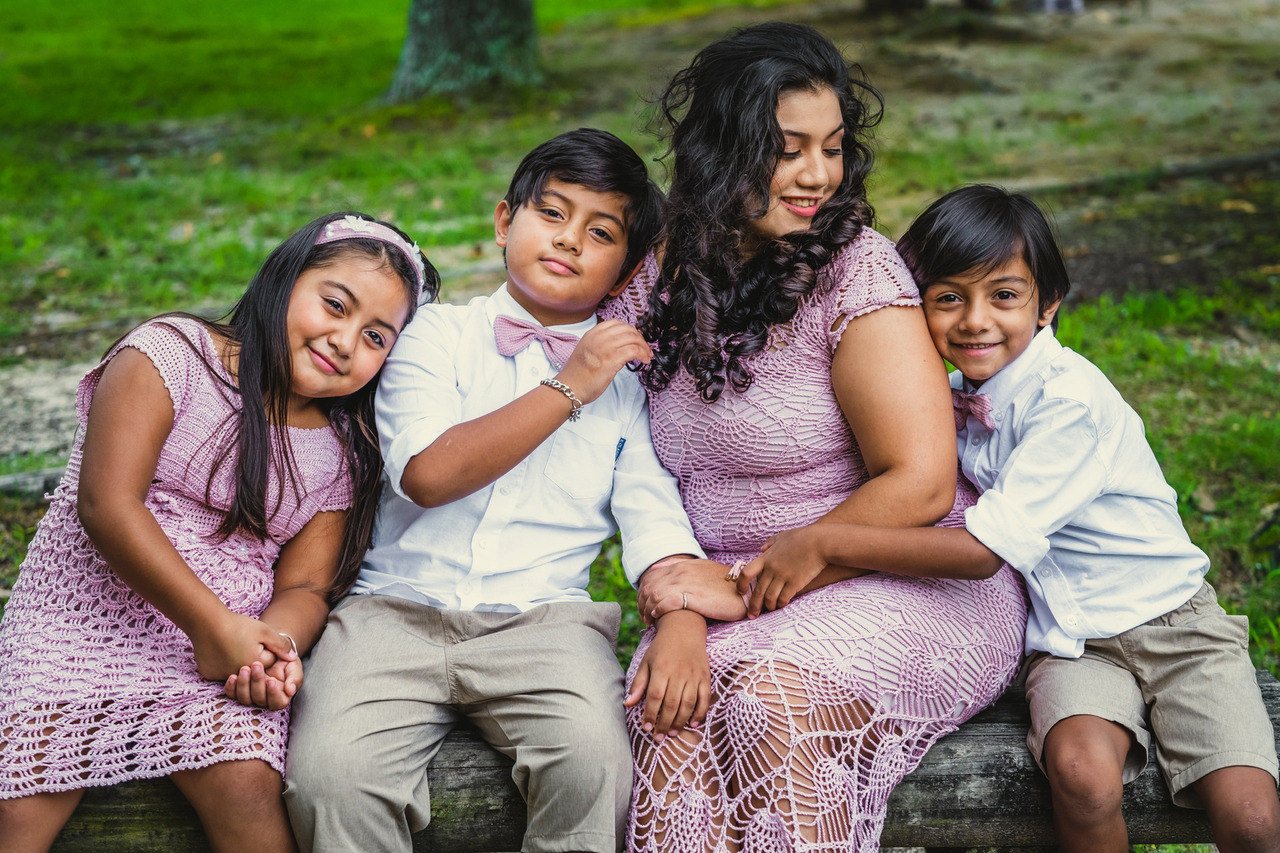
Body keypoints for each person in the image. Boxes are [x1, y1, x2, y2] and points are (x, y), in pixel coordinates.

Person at [741, 184, 1280, 852]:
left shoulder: (1067, 403)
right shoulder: (952, 398)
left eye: (1003, 295)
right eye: (947, 297)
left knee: (1253, 818)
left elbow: (980, 552)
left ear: (1048, 303)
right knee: (1083, 777)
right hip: (1066, 638)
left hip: (1174, 625)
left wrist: (824, 540)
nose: (974, 320)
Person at [597, 22, 1028, 853]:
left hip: (903, 572)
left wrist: (786, 562)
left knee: (768, 694)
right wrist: (681, 605)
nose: (819, 175)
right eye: (789, 148)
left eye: (832, 148)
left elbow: (922, 481)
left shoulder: (856, 270)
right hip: (727, 592)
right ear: (723, 148)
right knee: (668, 716)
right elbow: (632, 463)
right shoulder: (652, 280)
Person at [283, 128, 708, 853]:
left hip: (545, 624)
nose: (569, 239)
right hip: (393, 613)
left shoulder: (628, 381)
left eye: (599, 232)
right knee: (330, 776)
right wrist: (569, 385)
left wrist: (682, 616)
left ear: (626, 267)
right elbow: (427, 472)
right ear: (505, 221)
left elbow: (653, 512)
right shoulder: (431, 335)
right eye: (552, 213)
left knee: (593, 766)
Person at [0, 212, 437, 853]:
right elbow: (107, 504)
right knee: (23, 788)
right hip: (78, 623)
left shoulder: (341, 453)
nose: (345, 340)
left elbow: (309, 587)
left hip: (219, 660)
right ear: (283, 280)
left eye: (375, 337)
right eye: (334, 305)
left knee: (246, 781)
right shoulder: (169, 356)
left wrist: (271, 649)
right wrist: (210, 625)